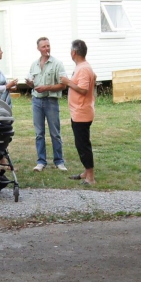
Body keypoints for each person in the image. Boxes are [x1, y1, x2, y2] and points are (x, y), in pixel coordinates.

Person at [26, 36, 68, 172]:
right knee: (39, 133)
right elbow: (32, 82)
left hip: (51, 101)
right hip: (37, 101)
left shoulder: (57, 63)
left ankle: (59, 161)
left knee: (55, 133)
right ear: (38, 48)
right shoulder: (34, 64)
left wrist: (47, 88)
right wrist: (30, 83)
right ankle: (41, 162)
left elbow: (63, 85)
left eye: (48, 46)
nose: (46, 48)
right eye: (43, 46)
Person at [60, 38, 96, 185]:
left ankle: (90, 178)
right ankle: (86, 172)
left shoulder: (83, 68)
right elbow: (92, 78)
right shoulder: (83, 67)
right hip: (79, 112)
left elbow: (83, 89)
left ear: (74, 52)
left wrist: (68, 82)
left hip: (82, 113)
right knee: (81, 143)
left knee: (83, 146)